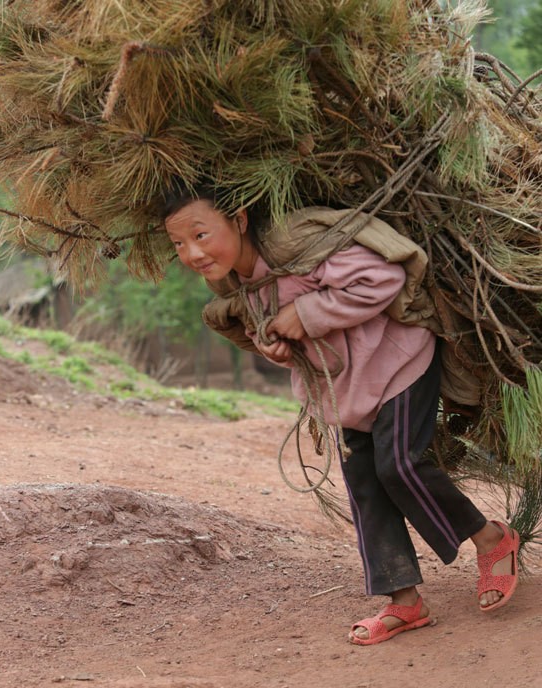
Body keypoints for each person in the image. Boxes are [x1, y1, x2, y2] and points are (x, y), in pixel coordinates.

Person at [161, 184, 520, 645]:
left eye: (200, 235)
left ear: (240, 219)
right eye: (178, 243)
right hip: (345, 388)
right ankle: (405, 601)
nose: (192, 253)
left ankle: (491, 539)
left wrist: (307, 312)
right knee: (365, 483)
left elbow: (383, 278)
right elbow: (275, 333)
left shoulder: (295, 245)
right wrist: (277, 347)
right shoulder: (231, 282)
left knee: (400, 464)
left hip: (397, 360)